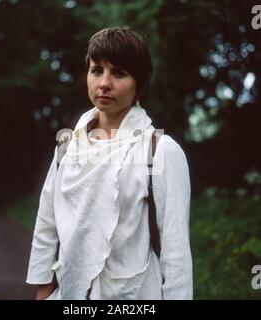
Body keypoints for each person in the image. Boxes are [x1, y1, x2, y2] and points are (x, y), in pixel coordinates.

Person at [26, 26, 193, 300]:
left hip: (131, 297)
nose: (104, 83)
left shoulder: (161, 150)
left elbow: (176, 252)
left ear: (139, 85)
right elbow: (47, 221)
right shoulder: (69, 145)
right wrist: (43, 288)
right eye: (96, 70)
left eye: (118, 73)